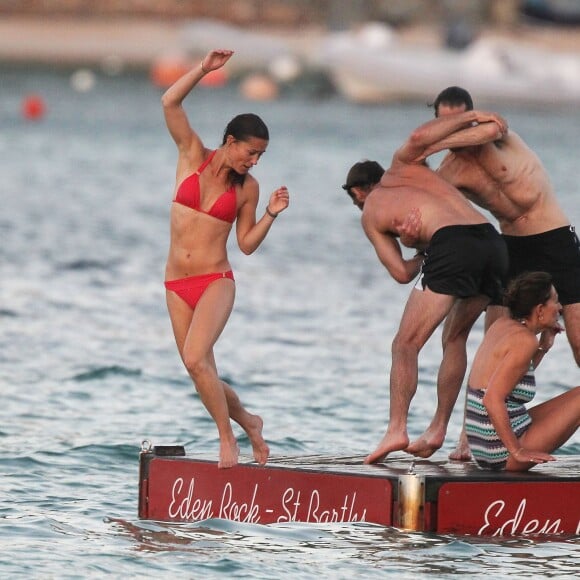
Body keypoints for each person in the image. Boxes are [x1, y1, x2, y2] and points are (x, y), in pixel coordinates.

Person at [343, 109, 510, 464]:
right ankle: (438, 428)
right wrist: (474, 115)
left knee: (405, 344)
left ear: (359, 191)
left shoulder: (371, 210)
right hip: (492, 242)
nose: (359, 206)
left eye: (355, 199)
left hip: (453, 246)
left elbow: (402, 274)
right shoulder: (411, 167)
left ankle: (397, 428)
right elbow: (420, 141)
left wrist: (421, 253)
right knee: (455, 337)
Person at [430, 86, 580, 459]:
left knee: (577, 334)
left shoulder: (498, 134)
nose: (452, 129)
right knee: (495, 337)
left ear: (472, 115)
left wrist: (435, 139)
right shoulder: (450, 171)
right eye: (442, 122)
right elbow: (431, 205)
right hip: (510, 247)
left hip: (554, 238)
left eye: (459, 119)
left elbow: (492, 128)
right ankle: (468, 436)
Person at [162, 49, 289, 468]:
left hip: (215, 281)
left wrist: (270, 212)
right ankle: (250, 422)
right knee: (200, 372)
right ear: (230, 142)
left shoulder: (247, 188)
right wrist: (203, 68)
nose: (253, 162)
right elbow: (170, 102)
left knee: (198, 359)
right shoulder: (191, 156)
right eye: (250, 153)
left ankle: (226, 439)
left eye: (260, 157)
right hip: (176, 284)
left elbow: (247, 243)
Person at [465, 271, 579, 471]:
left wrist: (544, 346)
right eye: (556, 301)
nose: (560, 308)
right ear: (540, 310)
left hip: (483, 444)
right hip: (500, 450)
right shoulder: (525, 341)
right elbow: (491, 399)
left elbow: (514, 375)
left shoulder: (502, 324)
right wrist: (517, 451)